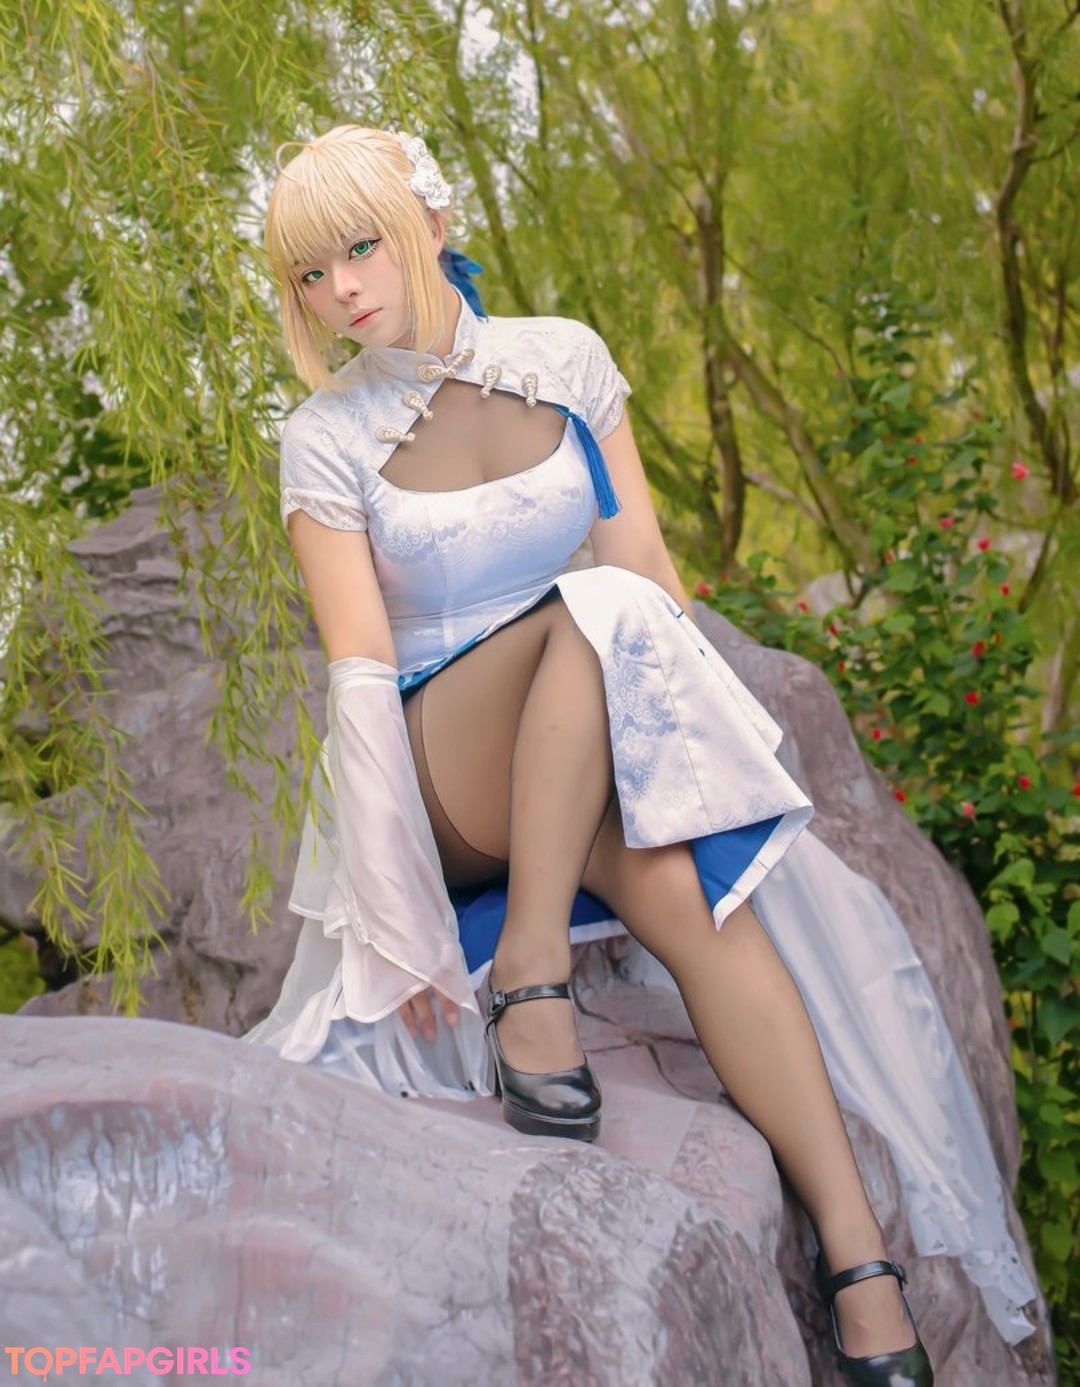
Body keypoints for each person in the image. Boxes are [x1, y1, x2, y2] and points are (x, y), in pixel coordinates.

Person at [242, 124, 1035, 1384]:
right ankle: (530, 966)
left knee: (684, 885)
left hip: (585, 727)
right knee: (589, 610)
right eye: (309, 273)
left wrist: (701, 757)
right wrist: (391, 909)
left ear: (430, 225)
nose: (341, 288)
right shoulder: (325, 436)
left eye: (360, 247)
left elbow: (649, 576)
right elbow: (359, 670)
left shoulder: (566, 361)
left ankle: (860, 1265)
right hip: (441, 768)